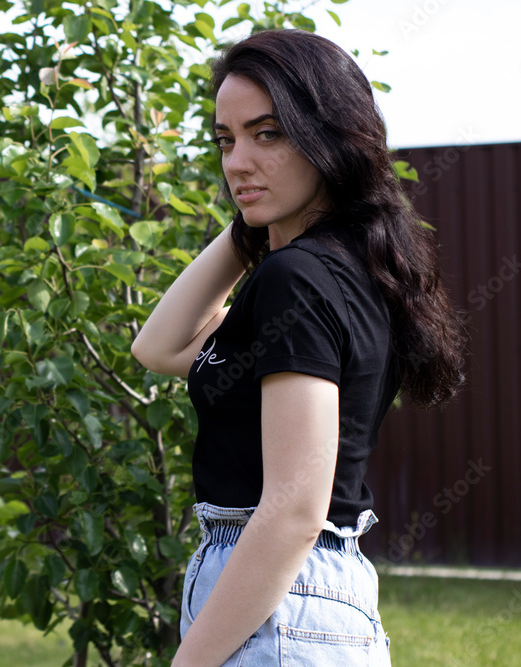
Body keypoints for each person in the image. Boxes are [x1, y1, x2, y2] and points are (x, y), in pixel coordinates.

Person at [130, 29, 468, 666]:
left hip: (276, 602)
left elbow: (293, 509)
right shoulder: (337, 272)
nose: (237, 162)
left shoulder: (300, 281)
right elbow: (161, 345)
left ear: (331, 139)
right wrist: (251, 225)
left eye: (268, 134)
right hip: (301, 602)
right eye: (225, 141)